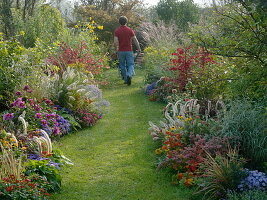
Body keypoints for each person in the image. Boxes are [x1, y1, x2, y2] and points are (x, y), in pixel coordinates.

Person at [114, 16, 141, 85]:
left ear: (119, 22)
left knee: (122, 65)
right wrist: (139, 48)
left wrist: (116, 49)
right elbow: (135, 40)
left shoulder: (117, 31)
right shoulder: (130, 30)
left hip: (121, 51)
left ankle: (126, 79)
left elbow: (115, 41)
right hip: (129, 50)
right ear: (126, 22)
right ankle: (129, 74)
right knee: (131, 64)